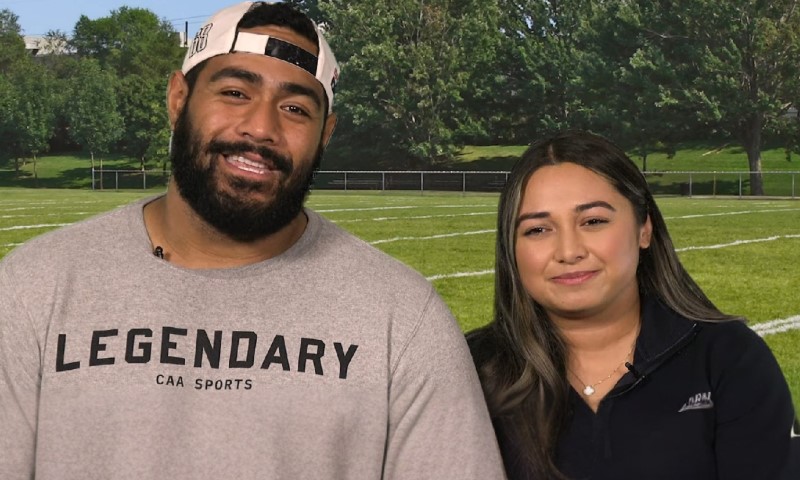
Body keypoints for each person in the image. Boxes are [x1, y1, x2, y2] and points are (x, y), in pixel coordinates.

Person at [0, 3, 506, 479]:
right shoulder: (33, 288)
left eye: (295, 109)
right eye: (235, 93)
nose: (261, 128)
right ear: (179, 99)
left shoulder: (403, 318)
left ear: (325, 133)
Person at [467, 130, 798, 479]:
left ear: (644, 229)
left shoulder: (729, 359)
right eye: (537, 229)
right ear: (511, 248)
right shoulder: (469, 369)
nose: (568, 251)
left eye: (593, 221)